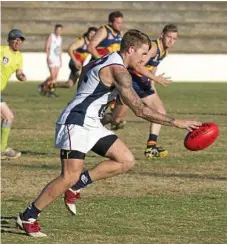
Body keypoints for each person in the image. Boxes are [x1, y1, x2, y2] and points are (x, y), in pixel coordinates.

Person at [17, 29, 201, 237]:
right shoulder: (119, 71)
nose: (144, 59)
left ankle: (77, 186)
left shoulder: (108, 59)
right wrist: (176, 122)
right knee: (69, 175)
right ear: (130, 49)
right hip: (76, 122)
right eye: (142, 54)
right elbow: (140, 110)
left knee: (125, 160)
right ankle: (28, 216)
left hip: (92, 122)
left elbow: (86, 71)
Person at [105, 24, 178, 159]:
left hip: (143, 83)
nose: (171, 41)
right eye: (169, 37)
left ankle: (151, 146)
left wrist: (153, 84)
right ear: (162, 35)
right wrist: (153, 77)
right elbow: (138, 65)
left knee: (160, 111)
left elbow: (153, 67)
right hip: (132, 81)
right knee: (117, 118)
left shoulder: (164, 51)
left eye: (174, 39)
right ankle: (94, 123)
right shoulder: (154, 47)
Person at [0, 29, 26, 159]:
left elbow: (18, 71)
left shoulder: (19, 56)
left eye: (20, 39)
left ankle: (2, 149)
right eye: (16, 39)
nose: (18, 41)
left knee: (7, 117)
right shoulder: (2, 50)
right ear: (10, 40)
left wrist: (21, 76)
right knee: (7, 116)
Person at [39, 24, 63, 97]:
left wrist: (61, 59)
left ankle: (43, 85)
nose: (58, 31)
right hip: (51, 58)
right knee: (52, 76)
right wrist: (48, 57)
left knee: (55, 77)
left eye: (60, 30)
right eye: (57, 30)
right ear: (55, 29)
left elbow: (60, 49)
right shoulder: (51, 36)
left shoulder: (60, 38)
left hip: (57, 59)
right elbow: (47, 46)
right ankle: (51, 91)